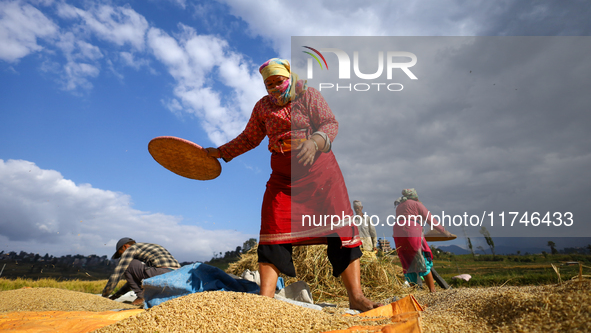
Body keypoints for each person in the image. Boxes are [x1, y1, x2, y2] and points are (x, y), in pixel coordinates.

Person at [206, 58, 380, 311]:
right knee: (272, 229)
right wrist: (221, 152)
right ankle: (265, 302)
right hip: (283, 177)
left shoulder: (308, 95)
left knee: (340, 231)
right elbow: (249, 138)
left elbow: (330, 123)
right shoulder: (262, 107)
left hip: (320, 174)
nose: (274, 87)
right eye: (268, 84)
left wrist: (315, 142)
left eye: (278, 81)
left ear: (289, 77)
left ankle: (356, 297)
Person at [392, 189, 451, 293]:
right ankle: (432, 291)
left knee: (407, 261)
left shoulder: (400, 206)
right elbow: (430, 219)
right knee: (423, 259)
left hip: (398, 234)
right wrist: (443, 231)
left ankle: (415, 292)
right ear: (415, 197)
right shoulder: (416, 204)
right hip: (411, 231)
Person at [102, 238, 180, 305]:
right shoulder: (147, 248)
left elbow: (117, 274)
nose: (122, 257)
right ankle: (146, 296)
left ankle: (142, 297)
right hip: (177, 276)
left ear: (125, 247)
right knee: (134, 267)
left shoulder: (130, 249)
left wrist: (104, 297)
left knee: (128, 264)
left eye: (120, 254)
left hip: (162, 272)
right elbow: (133, 282)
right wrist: (114, 297)